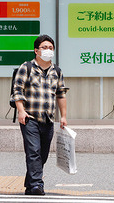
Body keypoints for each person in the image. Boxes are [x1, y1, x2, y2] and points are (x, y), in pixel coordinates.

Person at [12, 34, 68, 195]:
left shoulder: (56, 71)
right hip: (29, 118)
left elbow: (61, 94)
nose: (48, 50)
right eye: (44, 47)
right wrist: (21, 111)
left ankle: (30, 184)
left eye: (50, 48)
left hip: (48, 119)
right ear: (36, 50)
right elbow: (17, 90)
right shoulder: (27, 67)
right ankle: (37, 185)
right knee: (34, 151)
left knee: (42, 154)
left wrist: (63, 116)